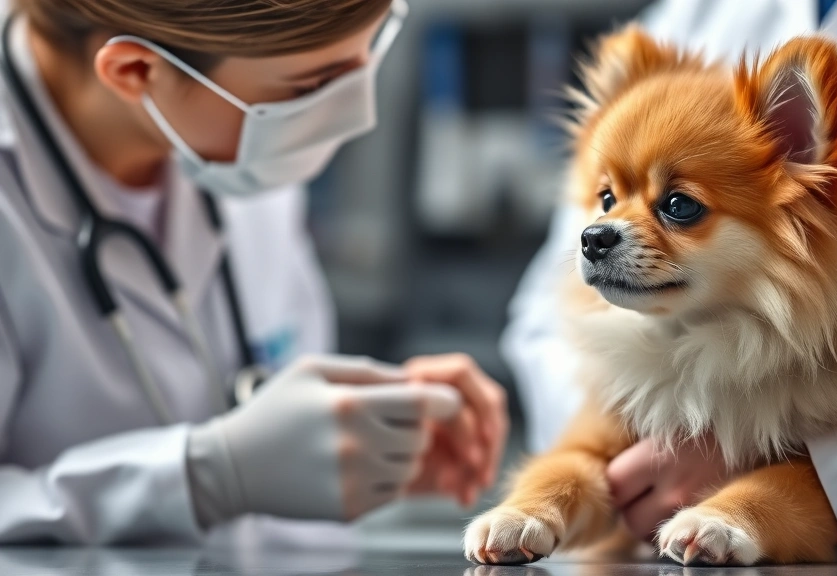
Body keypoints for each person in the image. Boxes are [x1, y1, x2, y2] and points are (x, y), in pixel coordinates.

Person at [504, 0, 837, 562]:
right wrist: (629, 459)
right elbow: (544, 320)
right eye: (609, 199)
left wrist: (830, 480)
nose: (605, 229)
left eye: (679, 207)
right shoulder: (691, 14)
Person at [0, 0, 508, 545]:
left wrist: (361, 442)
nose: (361, 114)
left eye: (370, 52)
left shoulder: (244, 150)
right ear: (136, 72)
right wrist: (207, 476)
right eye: (311, 86)